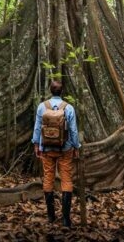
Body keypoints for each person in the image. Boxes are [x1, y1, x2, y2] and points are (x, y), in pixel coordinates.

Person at [32, 80, 80, 227]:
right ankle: (66, 219)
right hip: (65, 149)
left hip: (46, 149)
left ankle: (51, 216)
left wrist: (36, 144)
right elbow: (73, 130)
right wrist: (76, 146)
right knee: (66, 179)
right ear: (62, 91)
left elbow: (37, 127)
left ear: (50, 90)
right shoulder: (69, 107)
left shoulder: (42, 107)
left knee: (48, 178)